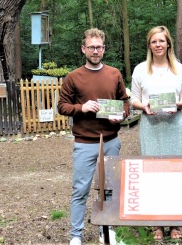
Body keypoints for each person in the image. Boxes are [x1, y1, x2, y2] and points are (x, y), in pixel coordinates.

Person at [57, 28, 130, 245]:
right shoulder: (73, 77)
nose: (95, 51)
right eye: (91, 47)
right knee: (81, 189)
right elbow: (62, 106)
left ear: (104, 49)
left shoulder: (114, 74)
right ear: (84, 49)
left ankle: (107, 231)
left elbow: (124, 101)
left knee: (109, 188)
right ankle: (76, 235)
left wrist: (122, 115)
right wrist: (82, 107)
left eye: (99, 47)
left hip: (110, 140)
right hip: (84, 141)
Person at [130, 25, 182, 241]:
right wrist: (143, 106)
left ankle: (175, 222)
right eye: (154, 41)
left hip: (174, 126)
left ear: (168, 44)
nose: (158, 45)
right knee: (153, 172)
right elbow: (133, 98)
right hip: (151, 126)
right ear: (149, 45)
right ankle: (157, 223)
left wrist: (178, 104)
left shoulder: (179, 70)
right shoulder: (140, 70)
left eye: (162, 41)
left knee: (175, 172)